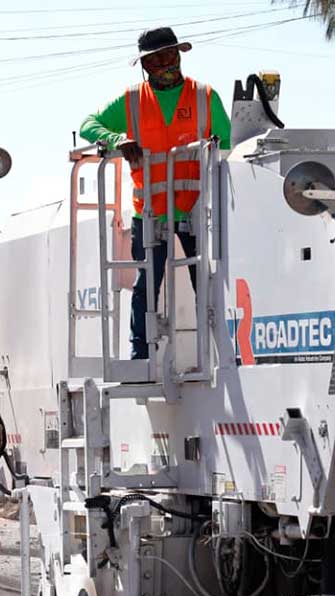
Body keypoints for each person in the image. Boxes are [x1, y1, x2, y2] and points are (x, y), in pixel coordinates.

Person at [81, 26, 231, 361]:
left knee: (208, 282)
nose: (166, 63)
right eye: (156, 59)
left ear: (179, 54)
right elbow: (89, 123)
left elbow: (228, 146)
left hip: (197, 209)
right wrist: (115, 139)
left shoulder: (205, 97)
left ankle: (221, 352)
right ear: (146, 65)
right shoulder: (132, 101)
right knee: (146, 285)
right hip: (150, 212)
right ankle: (141, 353)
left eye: (170, 54)